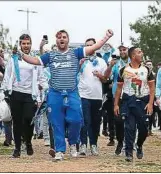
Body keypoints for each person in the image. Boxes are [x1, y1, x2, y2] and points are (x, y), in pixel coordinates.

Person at [21, 29, 114, 161]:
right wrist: (21, 55)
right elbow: (35, 60)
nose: (62, 39)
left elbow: (95, 46)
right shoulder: (51, 56)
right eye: (59, 37)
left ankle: (73, 143)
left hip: (72, 93)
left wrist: (106, 37)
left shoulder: (76, 53)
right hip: (55, 93)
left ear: (68, 40)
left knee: (76, 120)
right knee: (57, 123)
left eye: (64, 37)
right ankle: (59, 150)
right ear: (56, 40)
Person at [0, 32, 46, 158]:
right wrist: (3, 91)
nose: (26, 46)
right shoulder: (14, 59)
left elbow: (41, 76)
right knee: (17, 121)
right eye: (23, 43)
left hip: (31, 94)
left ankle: (28, 141)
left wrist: (46, 88)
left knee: (28, 119)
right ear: (20, 45)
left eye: (28, 43)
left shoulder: (35, 59)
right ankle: (17, 147)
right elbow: (7, 75)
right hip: (16, 93)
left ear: (31, 45)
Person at [114, 46, 155, 162]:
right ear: (133, 56)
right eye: (139, 52)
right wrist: (116, 105)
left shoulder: (147, 69)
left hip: (143, 102)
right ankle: (128, 152)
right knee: (129, 127)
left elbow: (152, 88)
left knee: (143, 129)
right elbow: (118, 89)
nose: (141, 53)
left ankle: (139, 145)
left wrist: (151, 103)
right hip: (128, 101)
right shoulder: (123, 70)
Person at [78, 38, 108, 156]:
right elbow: (74, 74)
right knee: (85, 120)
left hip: (97, 96)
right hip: (83, 95)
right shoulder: (81, 60)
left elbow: (105, 79)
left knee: (95, 122)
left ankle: (94, 144)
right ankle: (83, 144)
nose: (90, 48)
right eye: (87, 46)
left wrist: (100, 75)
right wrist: (79, 65)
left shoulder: (101, 61)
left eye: (92, 45)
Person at [104, 44, 130, 155]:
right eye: (120, 50)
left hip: (130, 94)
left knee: (130, 121)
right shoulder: (116, 64)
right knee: (118, 121)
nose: (122, 52)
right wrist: (110, 66)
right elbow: (107, 77)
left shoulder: (133, 62)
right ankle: (120, 141)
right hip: (117, 96)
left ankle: (129, 144)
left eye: (124, 49)